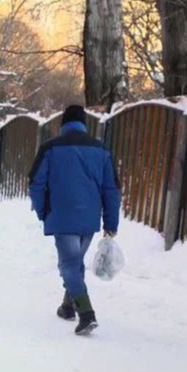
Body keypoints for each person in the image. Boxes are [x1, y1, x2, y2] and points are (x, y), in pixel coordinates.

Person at [28, 104, 121, 335]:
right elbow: (112, 189)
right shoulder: (101, 151)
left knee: (69, 265)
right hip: (89, 218)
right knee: (75, 261)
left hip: (61, 215)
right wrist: (111, 223)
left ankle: (86, 314)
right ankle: (67, 306)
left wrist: (43, 211)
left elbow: (36, 183)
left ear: (63, 124)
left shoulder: (50, 148)